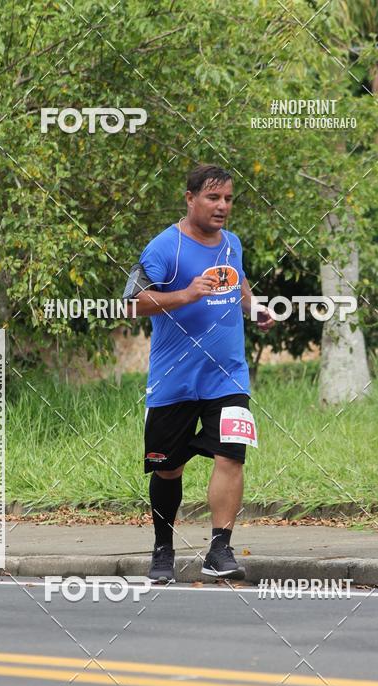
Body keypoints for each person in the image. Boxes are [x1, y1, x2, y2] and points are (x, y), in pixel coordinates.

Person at [130, 164, 274, 583]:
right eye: (213, 198)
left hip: (227, 377)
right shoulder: (162, 248)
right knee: (167, 468)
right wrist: (185, 293)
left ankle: (220, 549)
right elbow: (131, 304)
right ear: (190, 198)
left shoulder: (232, 244)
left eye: (228, 198)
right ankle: (163, 550)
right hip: (173, 381)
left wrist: (254, 307)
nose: (222, 206)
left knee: (231, 454)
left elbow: (237, 282)